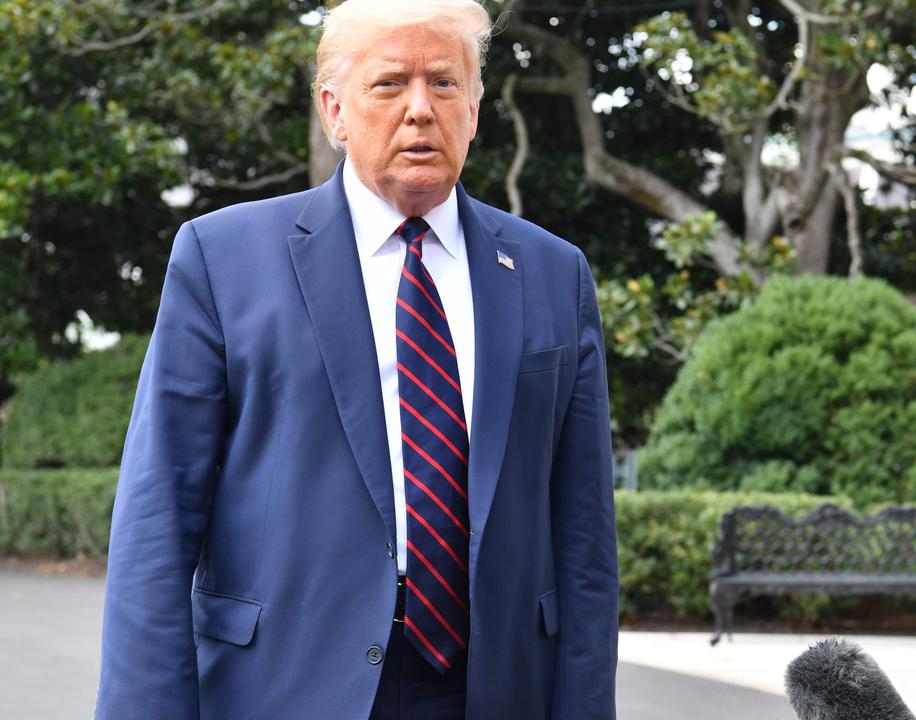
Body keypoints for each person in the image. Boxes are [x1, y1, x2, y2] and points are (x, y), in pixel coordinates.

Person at [94, 1, 618, 718]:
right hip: (284, 686)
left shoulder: (554, 274)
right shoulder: (223, 260)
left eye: (443, 83)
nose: (419, 110)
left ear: (473, 108)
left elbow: (585, 538)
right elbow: (157, 520)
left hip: (494, 689)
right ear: (334, 110)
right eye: (388, 84)